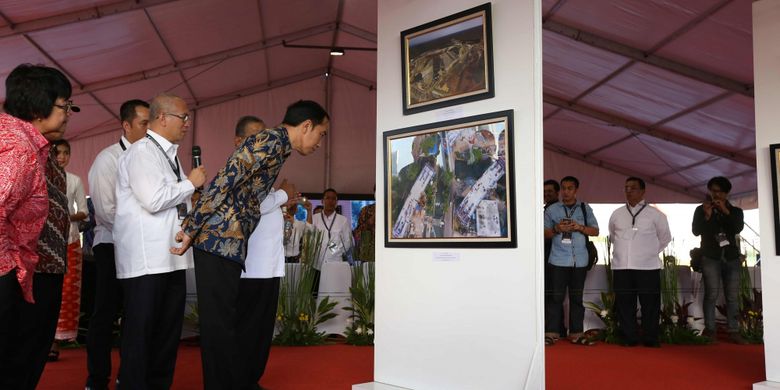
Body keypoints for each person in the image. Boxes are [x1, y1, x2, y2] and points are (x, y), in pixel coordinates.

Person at [172, 100, 329, 389]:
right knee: (219, 325)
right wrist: (191, 228)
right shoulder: (269, 140)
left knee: (224, 323)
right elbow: (225, 179)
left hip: (228, 244)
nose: (320, 143)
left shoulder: (278, 147)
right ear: (306, 126)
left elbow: (244, 193)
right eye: (321, 134)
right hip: (217, 241)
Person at [113, 93, 206, 389]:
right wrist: (190, 183)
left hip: (171, 257)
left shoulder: (170, 155)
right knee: (141, 337)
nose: (187, 124)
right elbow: (153, 199)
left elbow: (176, 203)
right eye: (184, 117)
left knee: (166, 337)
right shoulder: (142, 151)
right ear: (163, 118)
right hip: (146, 262)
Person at [0, 63, 74, 389]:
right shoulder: (19, 149)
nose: (68, 113)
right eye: (63, 105)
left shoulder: (24, 142)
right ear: (37, 106)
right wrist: (10, 266)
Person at [85, 99, 150, 390]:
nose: (149, 130)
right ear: (126, 125)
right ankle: (97, 379)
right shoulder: (107, 159)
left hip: (142, 248)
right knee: (106, 312)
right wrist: (142, 228)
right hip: (111, 244)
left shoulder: (151, 159)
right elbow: (105, 210)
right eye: (144, 124)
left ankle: (130, 376)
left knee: (137, 314)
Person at [608, 177, 671, 347]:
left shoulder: (655, 215)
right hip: (622, 266)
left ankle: (651, 337)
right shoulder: (617, 213)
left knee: (650, 304)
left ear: (643, 191)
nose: (628, 191)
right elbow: (613, 236)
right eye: (626, 188)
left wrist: (648, 252)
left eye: (633, 188)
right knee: (624, 304)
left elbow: (665, 238)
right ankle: (629, 337)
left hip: (647, 267)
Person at [543, 176, 599, 346]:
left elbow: (595, 231)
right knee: (555, 298)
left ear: (576, 190)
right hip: (558, 260)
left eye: (570, 188)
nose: (566, 192)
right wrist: (556, 228)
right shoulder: (552, 210)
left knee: (576, 299)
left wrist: (580, 227)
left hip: (579, 261)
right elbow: (542, 233)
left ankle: (576, 332)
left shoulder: (584, 208)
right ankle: (552, 333)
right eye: (564, 188)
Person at [692, 176, 746, 344]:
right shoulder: (701, 209)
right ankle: (710, 330)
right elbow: (696, 231)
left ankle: (734, 330)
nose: (715, 194)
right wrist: (707, 216)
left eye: (719, 191)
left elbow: (737, 228)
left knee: (732, 296)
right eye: (712, 191)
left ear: (726, 193)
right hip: (710, 256)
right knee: (711, 294)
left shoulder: (735, 211)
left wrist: (725, 211)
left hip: (730, 256)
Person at [49, 139, 89, 360]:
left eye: (66, 153)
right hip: (45, 244)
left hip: (71, 241)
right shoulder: (42, 178)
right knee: (45, 291)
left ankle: (55, 342)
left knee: (66, 294)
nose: (62, 157)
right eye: (57, 153)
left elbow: (84, 212)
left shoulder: (74, 180)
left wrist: (65, 217)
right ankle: (43, 341)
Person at [311, 188, 353, 289]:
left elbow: (348, 242)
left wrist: (334, 251)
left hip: (335, 263)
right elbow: (310, 237)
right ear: (322, 201)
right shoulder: (314, 218)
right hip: (316, 264)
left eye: (334, 199)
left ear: (337, 202)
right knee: (315, 294)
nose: (331, 201)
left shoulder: (342, 220)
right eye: (328, 198)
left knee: (333, 292)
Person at [542, 179, 562, 344]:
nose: (546, 194)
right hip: (543, 257)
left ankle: (555, 329)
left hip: (555, 256)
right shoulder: (543, 209)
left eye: (550, 191)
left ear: (557, 193)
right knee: (547, 293)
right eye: (544, 191)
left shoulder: (560, 210)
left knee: (553, 295)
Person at [285, 198, 313, 263]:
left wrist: (309, 211)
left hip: (294, 260)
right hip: (279, 259)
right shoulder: (278, 222)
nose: (292, 205)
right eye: (291, 202)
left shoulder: (299, 224)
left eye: (295, 204)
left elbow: (309, 229)